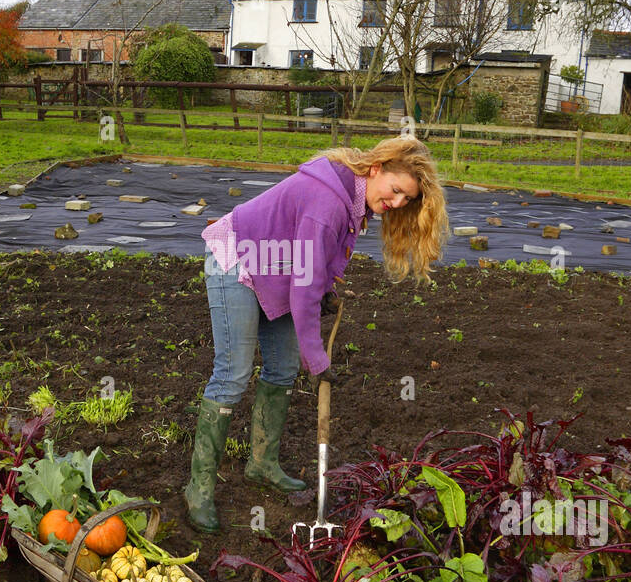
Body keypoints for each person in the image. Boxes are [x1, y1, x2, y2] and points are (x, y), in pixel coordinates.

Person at [183, 135, 451, 533]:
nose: (396, 204)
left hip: (273, 267)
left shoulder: (350, 198)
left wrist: (325, 290)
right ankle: (198, 489)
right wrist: (319, 360)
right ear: (376, 169)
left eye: (406, 200)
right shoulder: (329, 201)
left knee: (282, 367)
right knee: (234, 372)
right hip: (235, 258)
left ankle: (261, 463)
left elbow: (312, 260)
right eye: (396, 191)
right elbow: (303, 285)